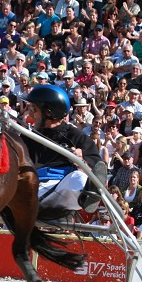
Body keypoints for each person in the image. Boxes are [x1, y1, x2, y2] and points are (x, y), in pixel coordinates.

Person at [23, 84, 107, 213]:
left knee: (78, 178)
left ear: (48, 112)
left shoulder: (77, 137)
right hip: (33, 187)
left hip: (62, 189)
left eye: (34, 109)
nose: (30, 114)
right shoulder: (28, 136)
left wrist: (81, 162)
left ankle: (90, 195)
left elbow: (97, 168)